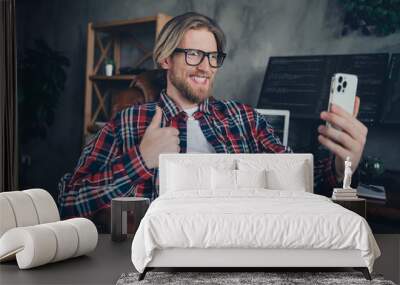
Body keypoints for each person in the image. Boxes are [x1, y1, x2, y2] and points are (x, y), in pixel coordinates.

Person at [58, 12, 368, 218]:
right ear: (166, 59)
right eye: (193, 54)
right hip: (159, 258)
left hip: (238, 251)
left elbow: (300, 181)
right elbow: (70, 202)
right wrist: (141, 159)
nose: (206, 67)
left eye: (213, 57)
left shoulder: (245, 120)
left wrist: (342, 164)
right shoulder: (127, 122)